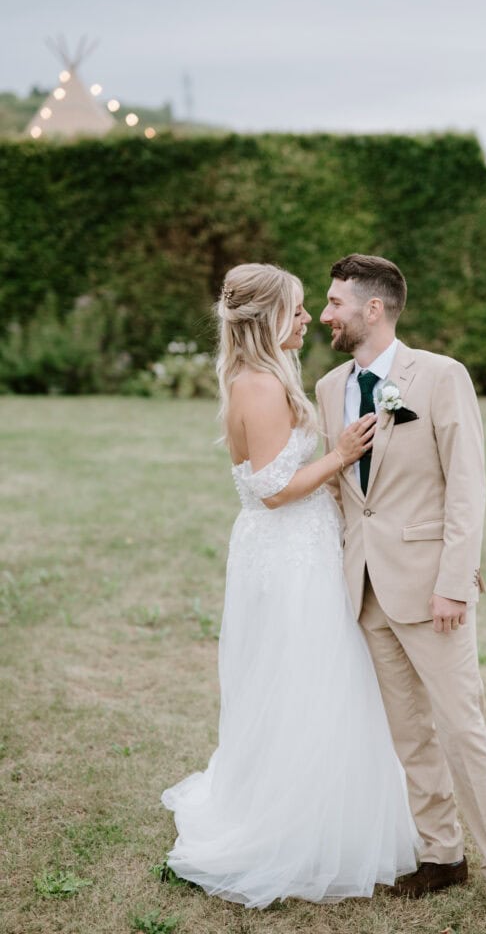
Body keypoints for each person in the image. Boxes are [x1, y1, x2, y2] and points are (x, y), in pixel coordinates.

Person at [161, 262, 419, 908]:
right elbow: (273, 490)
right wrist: (340, 454)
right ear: (268, 318)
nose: (309, 319)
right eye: (299, 309)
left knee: (316, 679)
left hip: (296, 548)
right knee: (303, 680)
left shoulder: (269, 376)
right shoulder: (257, 385)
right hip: (286, 556)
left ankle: (323, 810)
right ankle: (291, 830)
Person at [316, 254, 486, 932]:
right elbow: (342, 492)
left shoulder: (439, 377)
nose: (325, 314)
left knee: (461, 731)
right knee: (408, 735)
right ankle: (442, 855)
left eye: (333, 303)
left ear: (371, 309)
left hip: (429, 589)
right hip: (365, 588)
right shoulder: (328, 387)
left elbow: (467, 486)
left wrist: (454, 584)